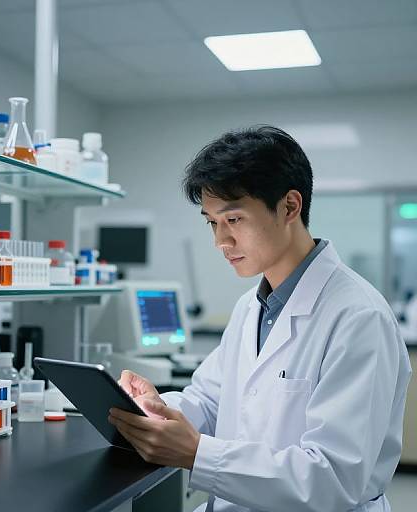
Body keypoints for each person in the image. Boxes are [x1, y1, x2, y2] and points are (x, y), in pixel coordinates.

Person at [108, 126, 412, 512]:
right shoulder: (252, 307)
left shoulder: (358, 317)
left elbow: (334, 478)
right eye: (212, 222)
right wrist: (156, 410)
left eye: (233, 219)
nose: (221, 241)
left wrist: (199, 454)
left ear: (289, 207)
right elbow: (210, 400)